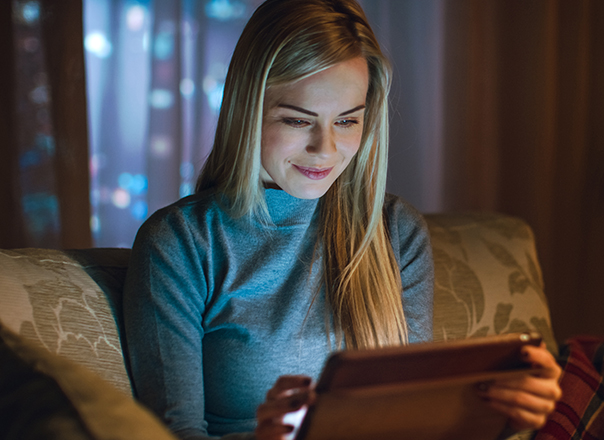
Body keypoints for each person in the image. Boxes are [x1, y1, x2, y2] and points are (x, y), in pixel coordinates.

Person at [122, 1, 562, 439]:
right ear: (246, 109)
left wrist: (502, 415)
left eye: (348, 121)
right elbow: (173, 432)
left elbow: (414, 424)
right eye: (298, 120)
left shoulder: (395, 231)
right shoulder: (182, 242)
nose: (326, 149)